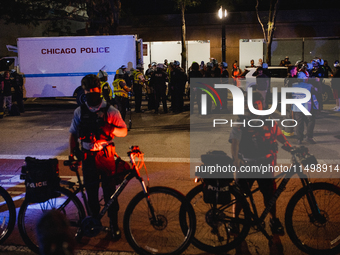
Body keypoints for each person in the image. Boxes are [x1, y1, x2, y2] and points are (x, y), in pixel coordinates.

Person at [69, 74, 128, 241]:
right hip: (88, 157)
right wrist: (73, 153)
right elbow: (73, 134)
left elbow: (123, 131)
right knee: (92, 193)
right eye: (87, 92)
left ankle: (114, 224)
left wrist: (109, 128)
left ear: (100, 91)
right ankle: (93, 222)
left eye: (94, 91)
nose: (90, 95)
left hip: (106, 156)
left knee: (110, 193)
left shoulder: (111, 110)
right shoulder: (79, 111)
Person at [229, 91, 291, 236]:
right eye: (253, 103)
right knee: (239, 195)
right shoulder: (241, 122)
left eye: (258, 103)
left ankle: (273, 220)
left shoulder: (269, 120)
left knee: (270, 196)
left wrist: (290, 147)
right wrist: (235, 159)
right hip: (246, 164)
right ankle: (234, 221)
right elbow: (235, 142)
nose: (256, 106)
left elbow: (280, 136)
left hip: (265, 164)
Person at [292, 71, 319, 144]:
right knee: (311, 121)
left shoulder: (293, 85)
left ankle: (299, 139)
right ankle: (309, 137)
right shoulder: (309, 86)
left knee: (299, 123)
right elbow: (316, 94)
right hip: (307, 107)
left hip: (296, 107)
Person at [282, 65, 298, 136]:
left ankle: (284, 129)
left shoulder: (286, 78)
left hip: (286, 97)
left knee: (286, 114)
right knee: (289, 115)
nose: (296, 71)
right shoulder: (291, 79)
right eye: (295, 70)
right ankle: (288, 131)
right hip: (289, 97)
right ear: (291, 71)